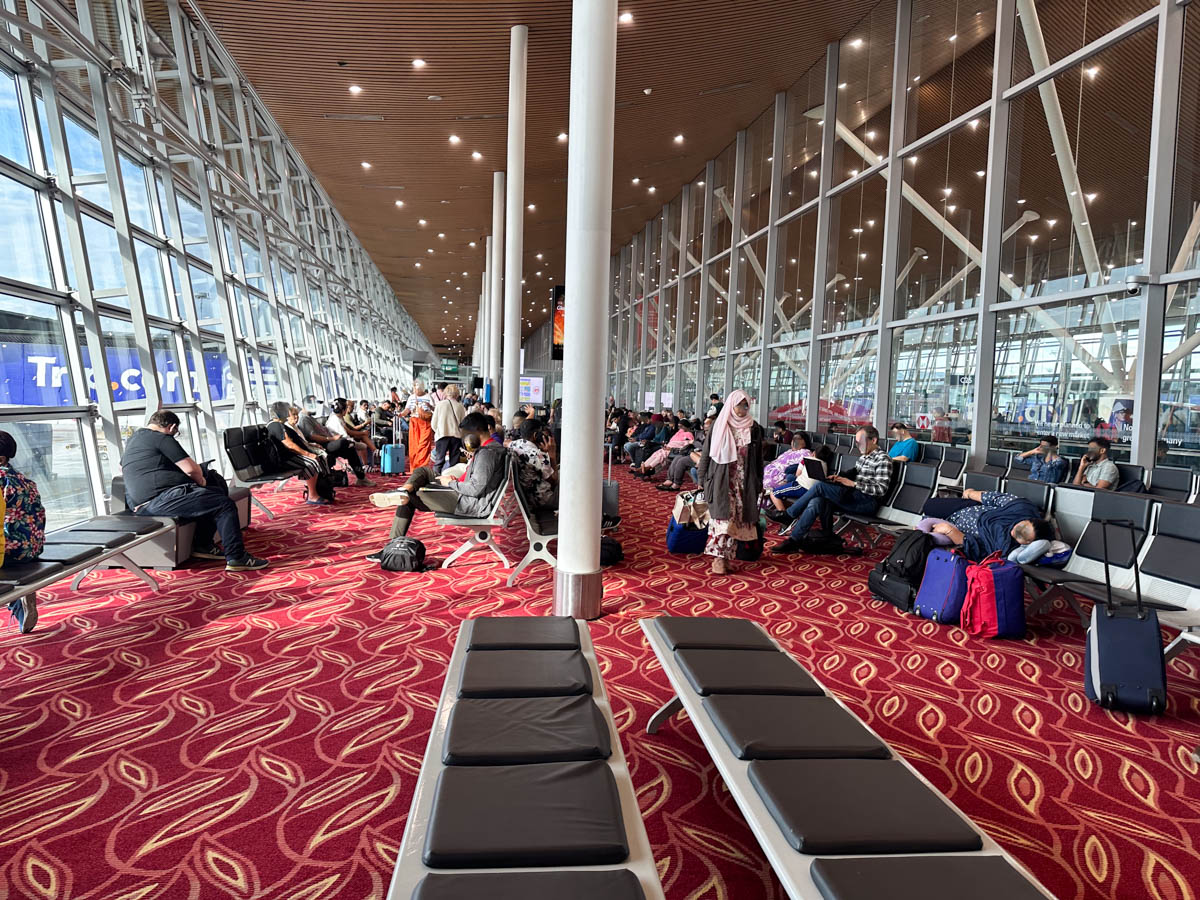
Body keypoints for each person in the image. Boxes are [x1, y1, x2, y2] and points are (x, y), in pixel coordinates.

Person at [121, 411, 267, 571]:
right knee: (224, 504)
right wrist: (201, 480)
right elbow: (191, 469)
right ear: (172, 427)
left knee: (214, 486)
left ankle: (203, 545)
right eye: (176, 433)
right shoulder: (162, 438)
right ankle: (237, 557)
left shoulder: (134, 440)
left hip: (143, 503)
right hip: (159, 500)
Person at [368, 412, 508, 543]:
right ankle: (403, 490)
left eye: (465, 434)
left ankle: (392, 546)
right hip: (465, 496)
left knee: (409, 498)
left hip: (468, 503)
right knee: (424, 472)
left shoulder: (487, 454)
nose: (464, 438)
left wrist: (451, 483)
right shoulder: (489, 448)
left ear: (477, 431)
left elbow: (475, 489)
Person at [772, 425, 892, 554]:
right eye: (857, 442)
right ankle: (794, 541)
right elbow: (854, 475)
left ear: (873, 440)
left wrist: (853, 484)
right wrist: (840, 478)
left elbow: (881, 490)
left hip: (867, 502)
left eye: (861, 441)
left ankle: (789, 515)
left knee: (819, 486)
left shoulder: (883, 460)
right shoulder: (864, 457)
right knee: (817, 501)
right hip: (852, 496)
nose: (858, 445)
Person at [697, 390, 763, 575]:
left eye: (745, 405)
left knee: (736, 522)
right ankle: (718, 559)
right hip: (721, 481)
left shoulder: (754, 428)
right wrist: (702, 478)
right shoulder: (720, 425)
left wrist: (759, 481)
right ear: (731, 405)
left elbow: (758, 459)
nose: (742, 409)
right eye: (739, 405)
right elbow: (706, 454)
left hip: (744, 482)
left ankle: (726, 558)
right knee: (722, 520)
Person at [917, 489, 1054, 563]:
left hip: (956, 528)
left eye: (1022, 536)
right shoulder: (1022, 508)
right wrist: (971, 493)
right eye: (1021, 526)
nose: (1015, 532)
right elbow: (995, 497)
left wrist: (949, 531)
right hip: (969, 508)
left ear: (1028, 543)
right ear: (1027, 519)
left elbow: (975, 549)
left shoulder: (1004, 547)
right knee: (930, 504)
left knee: (927, 536)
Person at [1, 430, 47, 633]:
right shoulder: (24, 480)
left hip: (7, 553)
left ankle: (16, 600)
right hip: (32, 549)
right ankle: (18, 600)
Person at [267, 402, 332, 505]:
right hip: (284, 460)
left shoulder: (279, 425)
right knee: (312, 462)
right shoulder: (276, 426)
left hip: (288, 457)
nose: (288, 413)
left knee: (318, 459)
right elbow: (289, 445)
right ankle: (312, 495)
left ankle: (322, 490)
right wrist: (308, 454)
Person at [296, 406, 373, 485]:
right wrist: (331, 438)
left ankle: (361, 478)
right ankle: (351, 443)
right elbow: (313, 437)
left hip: (327, 443)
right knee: (343, 442)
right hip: (321, 446)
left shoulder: (309, 417)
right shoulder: (304, 419)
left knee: (350, 449)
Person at [509, 418, 558, 510]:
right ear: (536, 435)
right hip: (541, 500)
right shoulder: (537, 455)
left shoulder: (513, 445)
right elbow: (553, 482)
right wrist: (552, 455)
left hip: (525, 496)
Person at [326, 397, 376, 468]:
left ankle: (371, 457)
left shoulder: (338, 417)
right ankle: (366, 463)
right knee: (362, 445)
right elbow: (347, 434)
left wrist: (362, 433)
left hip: (340, 440)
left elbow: (348, 431)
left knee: (363, 438)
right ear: (343, 409)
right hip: (339, 442)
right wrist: (363, 429)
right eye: (348, 407)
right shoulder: (338, 420)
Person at [431, 384, 467, 474]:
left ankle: (435, 479)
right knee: (454, 461)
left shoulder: (440, 405)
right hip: (456, 436)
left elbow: (434, 423)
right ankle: (451, 479)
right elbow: (463, 424)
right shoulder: (460, 406)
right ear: (457, 394)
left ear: (446, 393)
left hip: (442, 435)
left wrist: (439, 430)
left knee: (439, 460)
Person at [402, 381, 436, 469]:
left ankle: (422, 466)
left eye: (418, 389)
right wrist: (401, 414)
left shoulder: (428, 396)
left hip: (425, 422)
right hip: (414, 422)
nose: (416, 391)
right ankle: (414, 466)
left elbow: (434, 409)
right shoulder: (411, 397)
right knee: (414, 445)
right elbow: (407, 409)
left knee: (424, 444)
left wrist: (429, 406)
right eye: (415, 389)